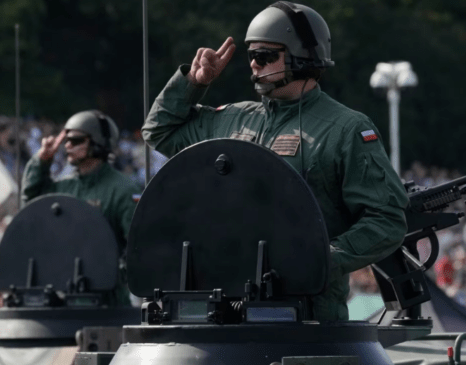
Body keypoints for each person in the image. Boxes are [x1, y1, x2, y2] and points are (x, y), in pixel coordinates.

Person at [142, 2, 408, 321]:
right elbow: (159, 131)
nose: (254, 64)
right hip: (221, 312)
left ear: (302, 57)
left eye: (265, 55)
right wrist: (193, 84)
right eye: (251, 55)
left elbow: (387, 218)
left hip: (307, 318)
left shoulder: (346, 129)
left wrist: (325, 257)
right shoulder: (231, 119)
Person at [22, 110, 141, 304]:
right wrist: (41, 162)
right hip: (64, 299)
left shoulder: (123, 190)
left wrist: (111, 276)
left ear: (97, 143)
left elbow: (137, 248)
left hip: (108, 303)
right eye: (66, 140)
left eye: (76, 141)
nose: (67, 145)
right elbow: (32, 206)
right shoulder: (64, 187)